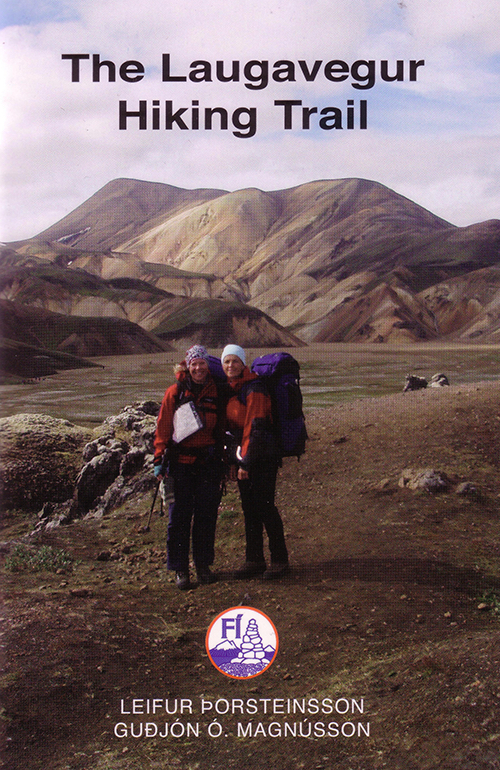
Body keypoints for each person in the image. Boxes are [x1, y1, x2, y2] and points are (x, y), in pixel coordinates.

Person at [154, 345, 225, 590]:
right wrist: (158, 459)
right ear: (187, 366)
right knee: (178, 519)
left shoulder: (216, 392)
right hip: (179, 466)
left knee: (206, 517)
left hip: (208, 465)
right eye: (194, 364)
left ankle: (203, 566)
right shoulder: (174, 393)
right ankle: (181, 569)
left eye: (202, 364)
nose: (198, 368)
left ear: (207, 366)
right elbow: (163, 426)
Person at [221, 344, 289, 580]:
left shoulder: (255, 388)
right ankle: (254, 560)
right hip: (246, 458)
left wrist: (246, 463)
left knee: (265, 506)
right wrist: (234, 461)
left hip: (263, 458)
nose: (231, 366)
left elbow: (255, 427)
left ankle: (279, 560)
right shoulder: (233, 389)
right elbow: (233, 432)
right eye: (227, 362)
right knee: (250, 509)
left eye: (235, 361)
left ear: (243, 364)